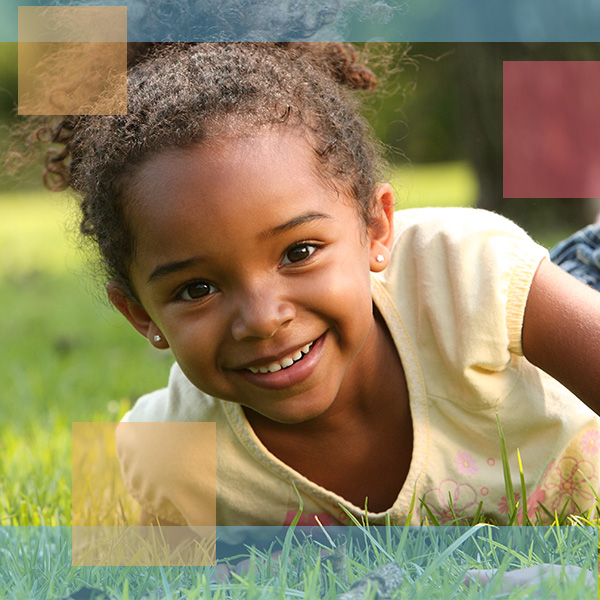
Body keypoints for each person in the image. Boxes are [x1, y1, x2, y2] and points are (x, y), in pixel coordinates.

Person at [26, 43, 600, 567]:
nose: (263, 317)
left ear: (375, 228)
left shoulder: (467, 274)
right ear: (141, 315)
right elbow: (94, 572)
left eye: (298, 252)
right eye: (196, 289)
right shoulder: (159, 450)